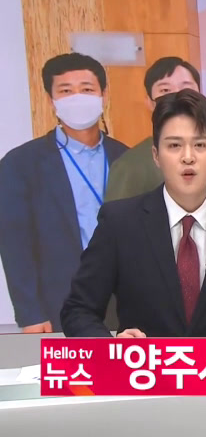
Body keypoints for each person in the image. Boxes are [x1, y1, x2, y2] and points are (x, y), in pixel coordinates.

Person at [60, 89, 206, 337]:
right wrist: (113, 349)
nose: (188, 157)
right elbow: (78, 310)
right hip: (141, 362)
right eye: (174, 145)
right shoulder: (119, 223)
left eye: (200, 145)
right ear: (156, 155)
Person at [0, 53, 128, 333]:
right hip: (59, 302)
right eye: (66, 91)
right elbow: (15, 246)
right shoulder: (21, 164)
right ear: (51, 100)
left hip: (125, 301)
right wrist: (30, 313)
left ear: (104, 95)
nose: (77, 98)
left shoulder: (125, 157)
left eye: (87, 89)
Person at [105, 56, 206, 201]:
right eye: (165, 90)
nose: (177, 97)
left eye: (186, 88)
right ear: (149, 102)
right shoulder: (129, 166)